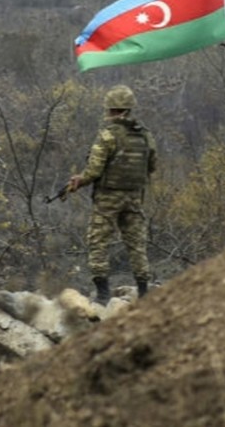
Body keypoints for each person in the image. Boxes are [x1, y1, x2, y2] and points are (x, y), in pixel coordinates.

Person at [68, 85, 157, 304]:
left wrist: (79, 180)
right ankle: (144, 292)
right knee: (137, 244)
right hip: (134, 197)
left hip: (108, 198)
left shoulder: (107, 136)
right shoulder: (145, 136)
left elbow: (94, 170)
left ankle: (103, 294)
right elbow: (152, 165)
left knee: (98, 242)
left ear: (110, 109)